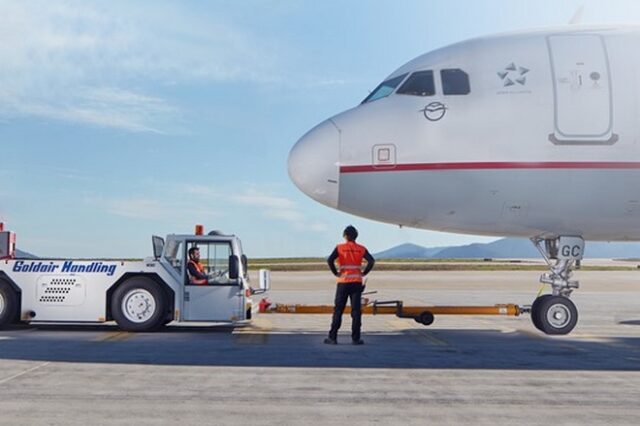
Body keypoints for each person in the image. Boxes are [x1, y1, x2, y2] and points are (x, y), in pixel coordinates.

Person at [324, 225, 375, 345]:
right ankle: (356, 338)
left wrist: (335, 272)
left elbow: (330, 260)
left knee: (338, 310)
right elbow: (371, 261)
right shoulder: (361, 248)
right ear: (356, 236)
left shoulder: (340, 247)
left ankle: (332, 337)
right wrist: (364, 272)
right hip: (356, 282)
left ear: (345, 236)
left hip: (343, 282)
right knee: (356, 311)